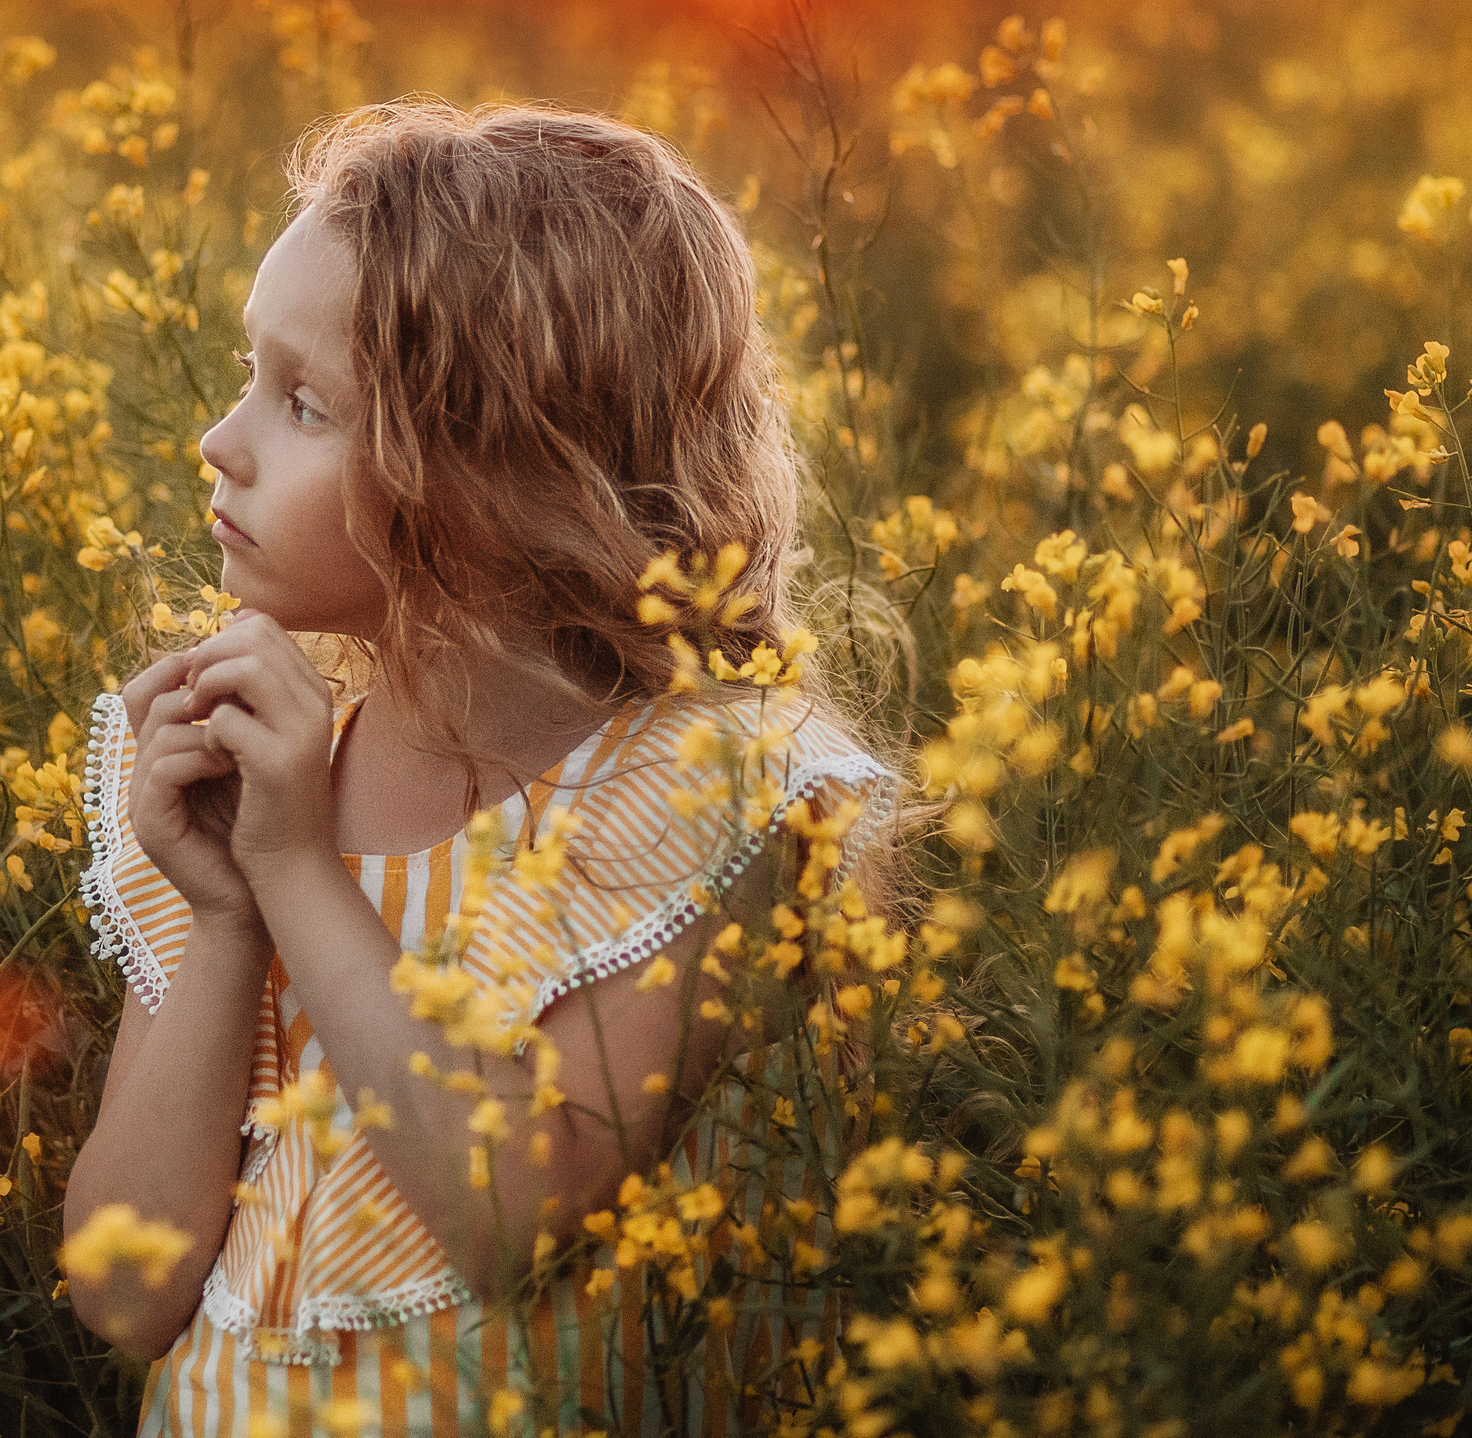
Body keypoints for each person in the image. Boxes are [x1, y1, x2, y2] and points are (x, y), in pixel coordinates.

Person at [63, 99, 900, 1437]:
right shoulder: (262, 771)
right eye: (247, 376)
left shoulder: (714, 791)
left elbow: (513, 1215)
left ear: (496, 475)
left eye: (303, 403)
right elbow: (124, 1291)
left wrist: (294, 870)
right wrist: (225, 918)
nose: (222, 441)